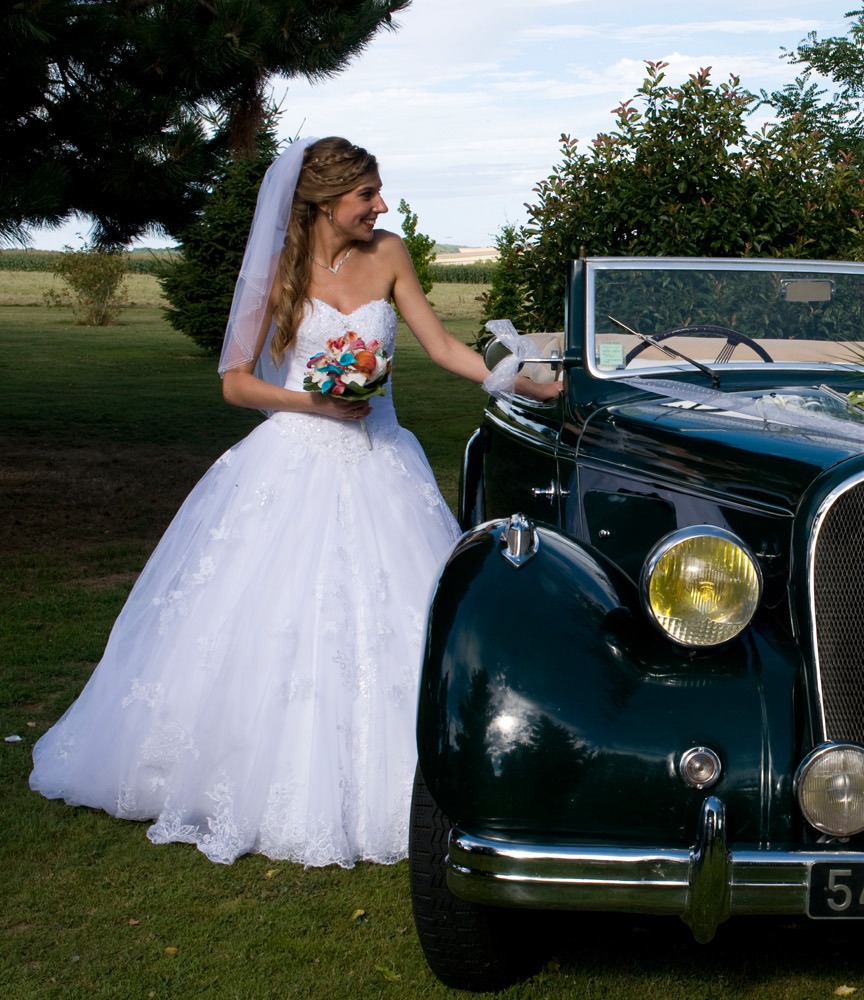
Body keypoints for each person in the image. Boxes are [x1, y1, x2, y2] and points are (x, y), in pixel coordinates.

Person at [29, 137, 557, 867]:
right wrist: (313, 402)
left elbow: (440, 347)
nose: (381, 206)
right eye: (367, 194)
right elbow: (236, 382)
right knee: (261, 613)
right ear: (325, 201)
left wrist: (523, 384)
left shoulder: (390, 254)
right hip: (292, 459)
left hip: (379, 459)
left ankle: (425, 774)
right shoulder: (276, 268)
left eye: (378, 192)